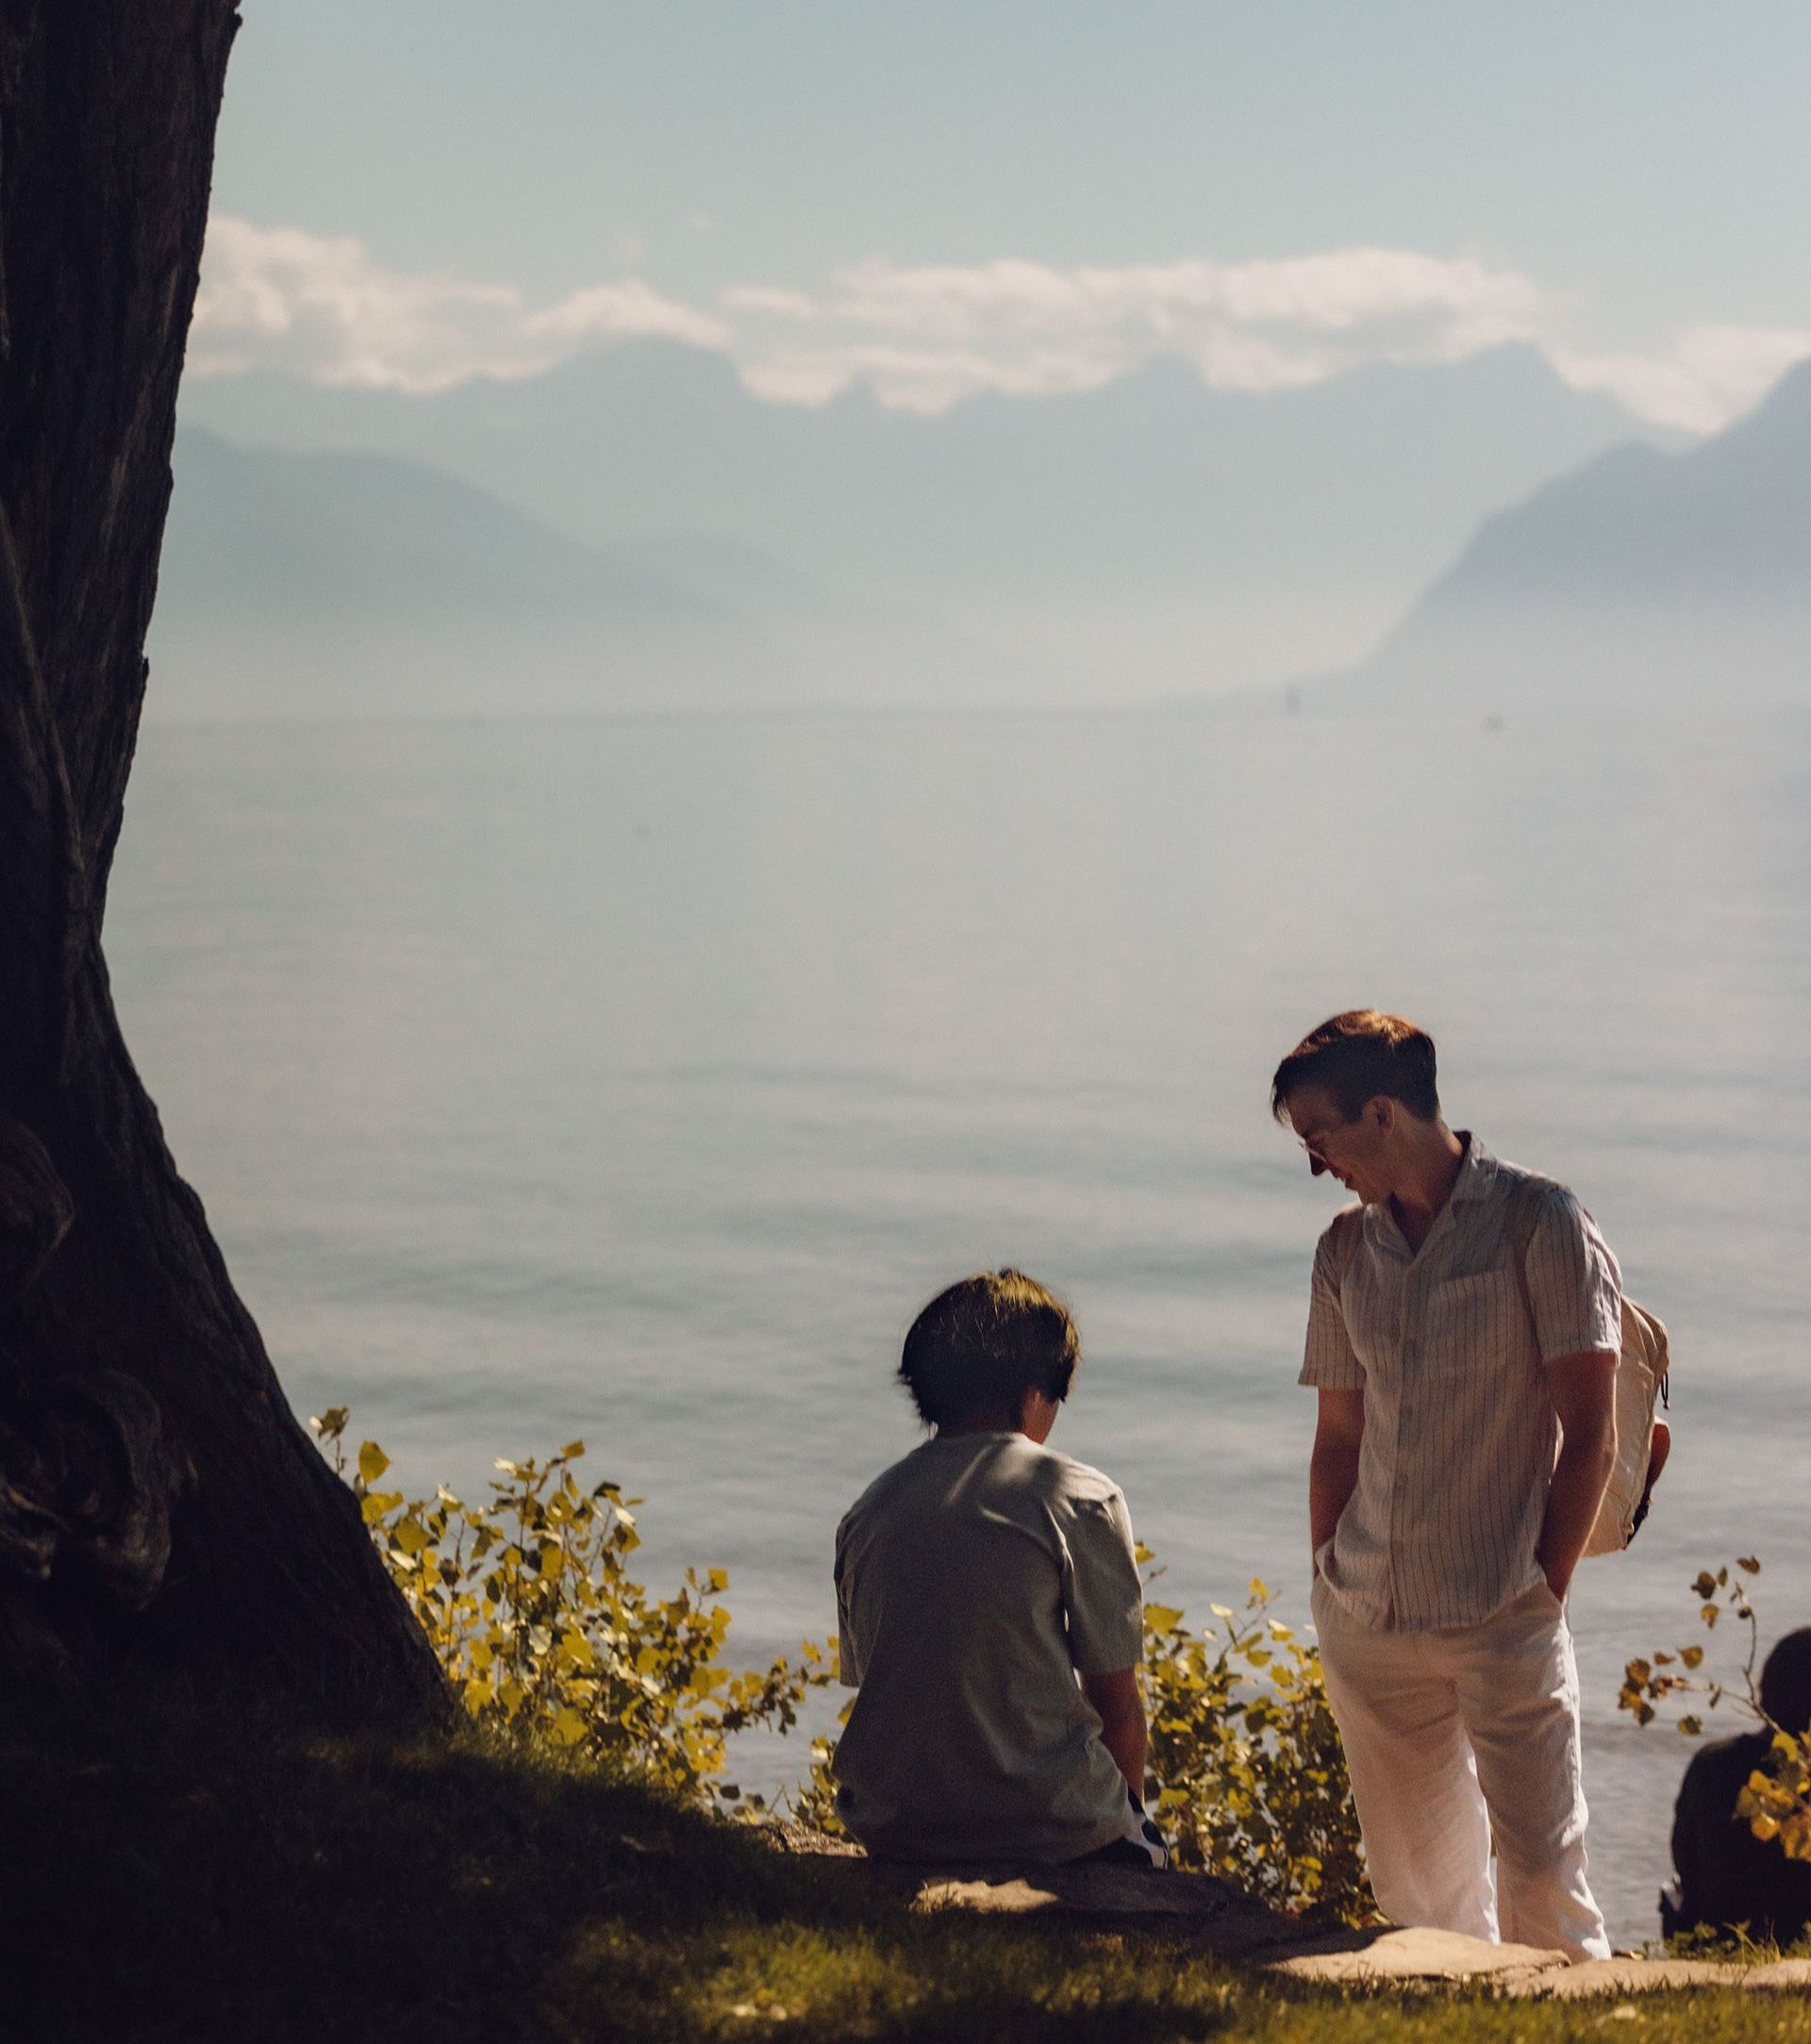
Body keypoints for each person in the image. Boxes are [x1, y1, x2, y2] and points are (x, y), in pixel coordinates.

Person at [1273, 1010, 1620, 1961]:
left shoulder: (1539, 1222)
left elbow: (1591, 1433)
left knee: (1546, 1876)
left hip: (1503, 1610)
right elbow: (1338, 1438)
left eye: (1319, 1136)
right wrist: (1323, 1576)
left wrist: (1541, 1590)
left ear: (1381, 1112)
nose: (1315, 1163)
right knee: (1419, 1895)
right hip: (1368, 1616)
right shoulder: (1343, 1253)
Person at [832, 1269, 1166, 1866]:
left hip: (896, 1827)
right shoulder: (1080, 1497)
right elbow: (1117, 1705)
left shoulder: (870, 1510)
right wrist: (1130, 1826)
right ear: (1037, 1390)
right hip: (1050, 1829)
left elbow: (889, 1682)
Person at [1664, 1627, 1811, 1948]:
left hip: (1713, 1939)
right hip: (1797, 1941)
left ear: (1764, 1690)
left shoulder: (1712, 1763)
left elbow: (1684, 1859)